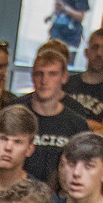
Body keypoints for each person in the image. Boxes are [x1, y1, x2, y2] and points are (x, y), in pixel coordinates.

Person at [19, 42, 80, 186]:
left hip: (60, 199)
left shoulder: (77, 123)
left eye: (52, 74)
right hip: (17, 193)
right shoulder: (16, 112)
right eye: (39, 74)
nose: (44, 81)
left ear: (64, 77)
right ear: (32, 76)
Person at [63, 28, 103, 132]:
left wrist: (75, 121)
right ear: (86, 52)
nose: (99, 53)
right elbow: (57, 121)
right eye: (95, 47)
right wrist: (93, 124)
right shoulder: (66, 83)